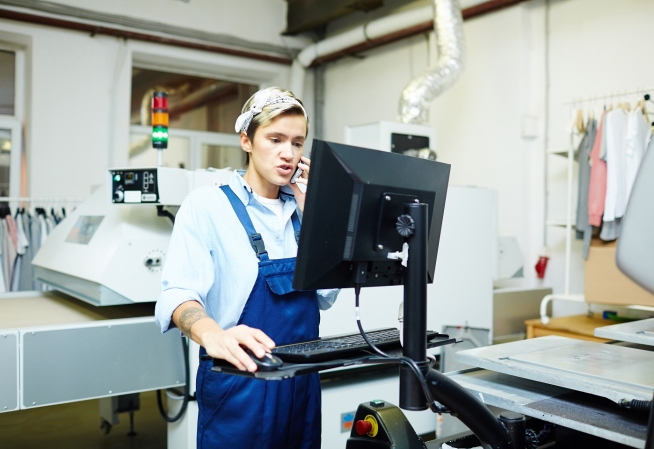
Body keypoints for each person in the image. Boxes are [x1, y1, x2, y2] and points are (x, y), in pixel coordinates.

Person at [155, 86, 339, 449]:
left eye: (298, 143)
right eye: (275, 139)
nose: (288, 153)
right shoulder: (207, 206)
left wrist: (314, 216)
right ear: (246, 140)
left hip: (301, 383)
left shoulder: (303, 211)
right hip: (241, 383)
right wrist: (212, 334)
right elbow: (177, 293)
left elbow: (327, 295)